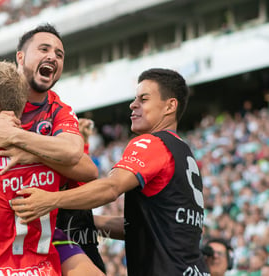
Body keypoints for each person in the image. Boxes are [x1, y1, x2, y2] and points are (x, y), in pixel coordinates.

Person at [0, 23, 104, 275]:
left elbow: (76, 157)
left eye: (59, 54)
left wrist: (17, 139)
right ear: (20, 57)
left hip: (38, 219)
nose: (52, 56)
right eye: (44, 49)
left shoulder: (59, 110)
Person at [11, 68, 211, 275]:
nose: (133, 105)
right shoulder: (184, 152)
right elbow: (143, 228)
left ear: (170, 106)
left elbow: (111, 187)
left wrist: (50, 200)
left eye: (144, 99)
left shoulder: (152, 143)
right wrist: (86, 221)